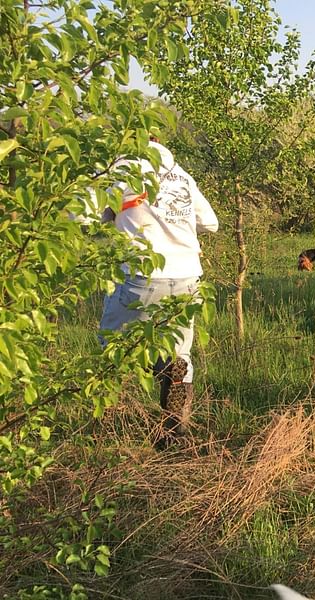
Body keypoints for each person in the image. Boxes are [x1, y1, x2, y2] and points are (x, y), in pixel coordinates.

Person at [99, 138, 218, 449]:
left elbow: (84, 217)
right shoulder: (181, 174)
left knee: (112, 351)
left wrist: (117, 217)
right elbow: (211, 223)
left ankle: (110, 433)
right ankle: (172, 435)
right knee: (180, 353)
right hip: (187, 276)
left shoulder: (122, 169)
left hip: (140, 276)